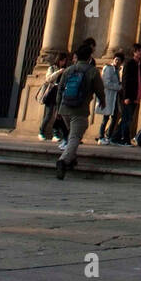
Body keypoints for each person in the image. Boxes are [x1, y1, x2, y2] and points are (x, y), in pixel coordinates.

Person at [55, 42, 106, 179]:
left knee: (72, 135)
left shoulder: (68, 70)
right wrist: (103, 100)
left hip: (65, 108)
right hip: (80, 110)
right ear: (89, 57)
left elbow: (60, 90)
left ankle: (71, 159)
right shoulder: (92, 71)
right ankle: (63, 161)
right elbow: (99, 89)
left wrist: (58, 109)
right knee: (75, 137)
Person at [115, 44, 141, 145]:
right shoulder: (129, 63)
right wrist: (126, 97)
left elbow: (139, 81)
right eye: (138, 51)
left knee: (127, 118)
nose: (140, 53)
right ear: (134, 52)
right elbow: (125, 81)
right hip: (129, 96)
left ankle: (115, 137)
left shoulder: (139, 64)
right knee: (127, 118)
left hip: (135, 96)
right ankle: (124, 139)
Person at [38, 53, 69, 141]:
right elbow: (48, 79)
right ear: (59, 60)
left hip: (60, 94)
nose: (63, 62)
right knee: (49, 114)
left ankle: (56, 133)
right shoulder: (52, 68)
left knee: (58, 115)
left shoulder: (65, 69)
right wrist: (59, 72)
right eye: (62, 60)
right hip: (52, 93)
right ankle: (41, 131)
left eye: (65, 61)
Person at [96, 51, 124, 144]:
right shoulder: (108, 68)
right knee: (106, 117)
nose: (117, 61)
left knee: (115, 116)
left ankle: (108, 136)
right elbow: (106, 83)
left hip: (114, 97)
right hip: (108, 96)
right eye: (116, 59)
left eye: (119, 60)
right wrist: (118, 87)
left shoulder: (117, 70)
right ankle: (101, 136)